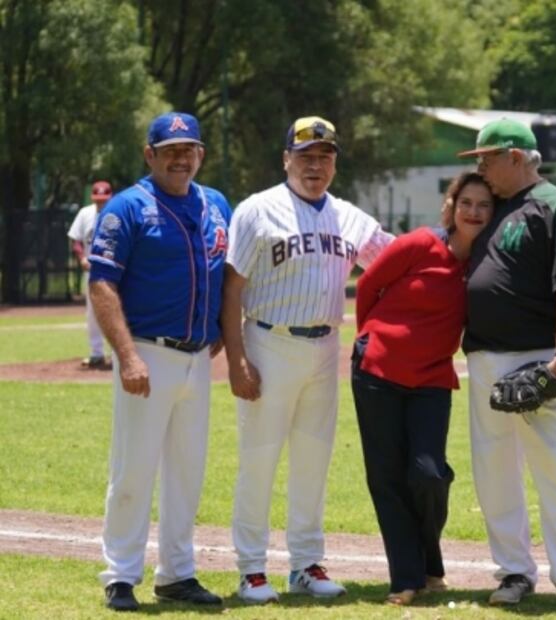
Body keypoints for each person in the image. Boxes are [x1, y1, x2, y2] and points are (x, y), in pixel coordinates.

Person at [222, 115, 394, 604]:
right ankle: (251, 570)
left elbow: (398, 260)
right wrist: (236, 360)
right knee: (258, 462)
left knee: (313, 462)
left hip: (323, 348)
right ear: (286, 160)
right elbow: (231, 288)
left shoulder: (349, 217)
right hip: (268, 342)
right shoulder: (257, 210)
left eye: (324, 156)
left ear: (335, 162)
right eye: (305, 156)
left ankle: (306, 564)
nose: (314, 165)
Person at [89, 112, 231, 611]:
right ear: (149, 155)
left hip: (197, 357)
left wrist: (221, 336)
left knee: (186, 473)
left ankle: (177, 573)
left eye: (187, 148)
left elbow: (226, 275)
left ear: (200, 154)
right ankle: (121, 575)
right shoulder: (127, 207)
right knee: (133, 471)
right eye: (169, 149)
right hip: (147, 352)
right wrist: (126, 355)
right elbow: (102, 283)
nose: (179, 157)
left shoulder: (215, 203)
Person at [456, 119, 556, 611]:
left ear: (516, 157)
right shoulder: (492, 206)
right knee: (494, 472)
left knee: (555, 468)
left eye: (487, 157)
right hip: (485, 356)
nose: (480, 167)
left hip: (539, 357)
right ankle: (514, 571)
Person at [352, 173, 494, 606]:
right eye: (465, 201)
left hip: (432, 378)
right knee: (387, 478)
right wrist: (371, 338)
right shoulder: (418, 243)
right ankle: (407, 577)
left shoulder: (485, 263)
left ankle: (429, 558)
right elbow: (367, 285)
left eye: (483, 205)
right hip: (378, 372)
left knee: (430, 475)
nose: (473, 211)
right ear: (450, 205)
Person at [68, 180, 113, 369]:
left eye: (104, 200)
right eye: (98, 200)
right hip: (93, 272)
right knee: (93, 314)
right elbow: (76, 239)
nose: (101, 203)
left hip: (116, 271)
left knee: (120, 311)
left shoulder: (120, 211)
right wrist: (81, 258)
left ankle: (121, 354)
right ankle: (97, 355)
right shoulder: (85, 213)